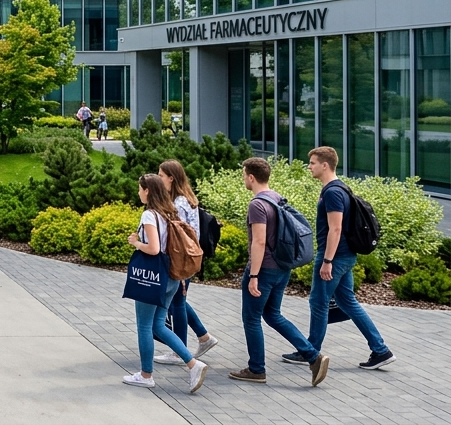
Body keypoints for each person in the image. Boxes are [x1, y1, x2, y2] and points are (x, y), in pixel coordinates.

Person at [287, 146, 395, 370]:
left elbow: (335, 230)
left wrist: (327, 261)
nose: (309, 167)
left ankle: (310, 351)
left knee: (318, 302)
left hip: (335, 258)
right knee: (348, 302)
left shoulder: (333, 192)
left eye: (313, 163)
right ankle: (380, 350)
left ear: (324, 165)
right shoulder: (339, 188)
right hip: (344, 257)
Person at [228, 157, 330, 386]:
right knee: (272, 314)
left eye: (244, 175)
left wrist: (253, 276)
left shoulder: (257, 204)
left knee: (252, 318)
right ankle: (313, 356)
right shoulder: (275, 197)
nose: (243, 178)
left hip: (263, 269)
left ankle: (256, 369)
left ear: (251, 177)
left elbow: (259, 242)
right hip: (282, 268)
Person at [122, 174, 209, 393]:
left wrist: (136, 243)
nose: (138, 192)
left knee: (144, 325)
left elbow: (153, 248)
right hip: (171, 276)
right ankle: (192, 364)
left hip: (152, 276)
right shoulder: (169, 212)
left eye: (140, 189)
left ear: (148, 191)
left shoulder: (150, 216)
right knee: (158, 325)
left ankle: (146, 375)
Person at [154, 161, 219, 366]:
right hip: (190, 256)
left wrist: (177, 270)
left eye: (161, 175)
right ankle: (203, 337)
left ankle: (179, 350)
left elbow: (177, 238)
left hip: (181, 259)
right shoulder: (187, 199)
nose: (159, 178)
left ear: (171, 178)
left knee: (177, 303)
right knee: (178, 301)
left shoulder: (178, 204)